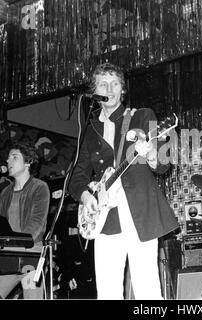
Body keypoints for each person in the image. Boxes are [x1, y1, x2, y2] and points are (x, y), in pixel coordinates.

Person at [68, 62, 178, 299]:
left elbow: (163, 165)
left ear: (122, 90)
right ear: (93, 91)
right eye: (103, 84)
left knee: (146, 286)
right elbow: (76, 177)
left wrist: (149, 153)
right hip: (106, 216)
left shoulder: (141, 116)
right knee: (107, 291)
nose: (109, 88)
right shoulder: (89, 129)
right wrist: (86, 197)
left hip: (139, 210)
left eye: (115, 83)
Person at [0, 140, 50, 299]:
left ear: (28, 163)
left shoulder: (39, 187)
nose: (8, 161)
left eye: (14, 157)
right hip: (7, 255)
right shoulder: (5, 192)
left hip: (31, 254)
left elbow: (37, 224)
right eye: (8, 158)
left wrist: (14, 243)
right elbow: (1, 226)